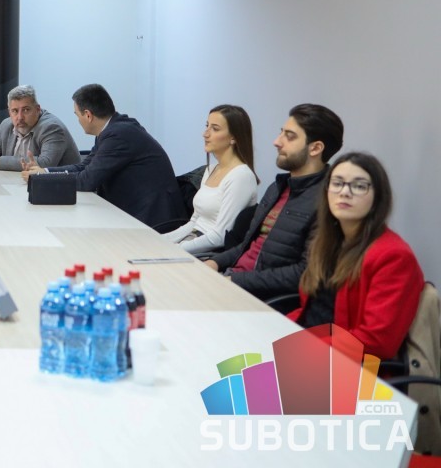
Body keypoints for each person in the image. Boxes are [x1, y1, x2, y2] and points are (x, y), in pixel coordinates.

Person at [288, 152, 423, 360]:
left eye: (359, 186)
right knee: (239, 359)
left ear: (378, 198)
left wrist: (303, 345)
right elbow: (311, 310)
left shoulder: (394, 256)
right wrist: (278, 330)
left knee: (246, 377)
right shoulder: (327, 242)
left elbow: (377, 342)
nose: (344, 192)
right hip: (310, 349)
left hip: (346, 364)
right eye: (337, 183)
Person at [203, 103, 344, 299]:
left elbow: (304, 273)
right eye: (281, 133)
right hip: (234, 280)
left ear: (315, 148)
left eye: (289, 136)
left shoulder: (326, 201)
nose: (277, 142)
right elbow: (247, 245)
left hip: (260, 297)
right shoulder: (277, 187)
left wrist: (234, 281)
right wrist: (214, 263)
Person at [28, 84, 183, 228]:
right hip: (137, 209)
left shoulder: (118, 135)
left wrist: (45, 179)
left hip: (154, 217)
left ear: (88, 115)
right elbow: (84, 167)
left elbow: (87, 180)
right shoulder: (112, 130)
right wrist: (45, 172)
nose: (78, 120)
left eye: (77, 115)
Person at [163, 104, 259, 254]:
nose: (205, 134)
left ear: (233, 137)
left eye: (215, 129)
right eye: (207, 126)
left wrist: (174, 249)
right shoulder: (211, 169)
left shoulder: (241, 176)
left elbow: (220, 237)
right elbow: (194, 222)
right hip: (192, 242)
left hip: (212, 253)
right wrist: (161, 240)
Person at [0, 84, 79, 171]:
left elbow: (45, 163)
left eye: (26, 110)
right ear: (9, 112)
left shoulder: (52, 128)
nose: (20, 117)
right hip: (16, 182)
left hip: (60, 186)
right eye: (15, 111)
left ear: (37, 109)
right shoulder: (6, 125)